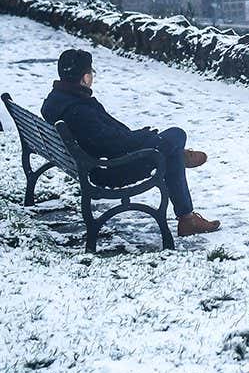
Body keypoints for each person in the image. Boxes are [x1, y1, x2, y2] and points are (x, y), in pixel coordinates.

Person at [41, 49, 221, 237]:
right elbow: (113, 145)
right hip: (108, 170)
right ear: (85, 77)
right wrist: (146, 137)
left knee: (171, 148)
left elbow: (108, 139)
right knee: (176, 135)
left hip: (94, 162)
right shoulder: (79, 110)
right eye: (91, 73)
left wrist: (140, 137)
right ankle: (186, 215)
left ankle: (186, 208)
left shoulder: (58, 100)